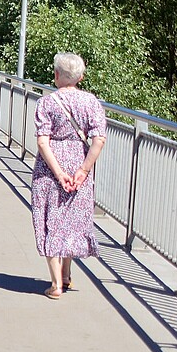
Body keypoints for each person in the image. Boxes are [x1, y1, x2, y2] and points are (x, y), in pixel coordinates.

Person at [31, 51, 107, 298]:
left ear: (56, 75)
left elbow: (43, 142)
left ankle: (56, 285)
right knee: (71, 220)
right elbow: (99, 139)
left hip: (49, 166)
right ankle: (66, 275)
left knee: (48, 219)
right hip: (79, 162)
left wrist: (58, 172)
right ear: (81, 77)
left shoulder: (47, 103)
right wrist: (83, 170)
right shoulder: (91, 102)